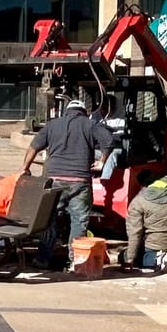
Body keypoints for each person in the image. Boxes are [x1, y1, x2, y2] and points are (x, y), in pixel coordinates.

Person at [20, 98, 117, 267]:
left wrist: (25, 168)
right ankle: (76, 261)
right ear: (83, 112)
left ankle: (43, 259)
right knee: (79, 221)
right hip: (79, 181)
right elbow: (108, 141)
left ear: (66, 111)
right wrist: (102, 161)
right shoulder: (90, 125)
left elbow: (33, 147)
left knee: (49, 220)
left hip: (55, 180)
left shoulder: (52, 125)